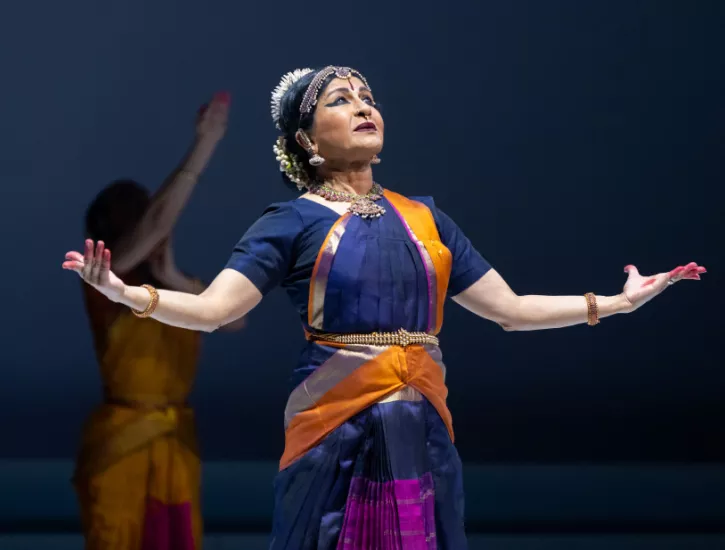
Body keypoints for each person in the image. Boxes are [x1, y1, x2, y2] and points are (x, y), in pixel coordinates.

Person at [62, 66, 706, 549]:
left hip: (422, 429)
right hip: (333, 430)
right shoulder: (288, 223)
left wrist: (614, 304)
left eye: (367, 97)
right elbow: (213, 310)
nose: (363, 105)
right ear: (309, 144)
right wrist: (124, 292)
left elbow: (508, 308)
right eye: (340, 101)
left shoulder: (427, 220)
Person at [71, 92, 244, 550]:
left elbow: (231, 320)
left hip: (175, 446)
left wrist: (171, 276)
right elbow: (155, 225)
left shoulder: (176, 288)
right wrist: (206, 143)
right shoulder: (103, 280)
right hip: (119, 449)